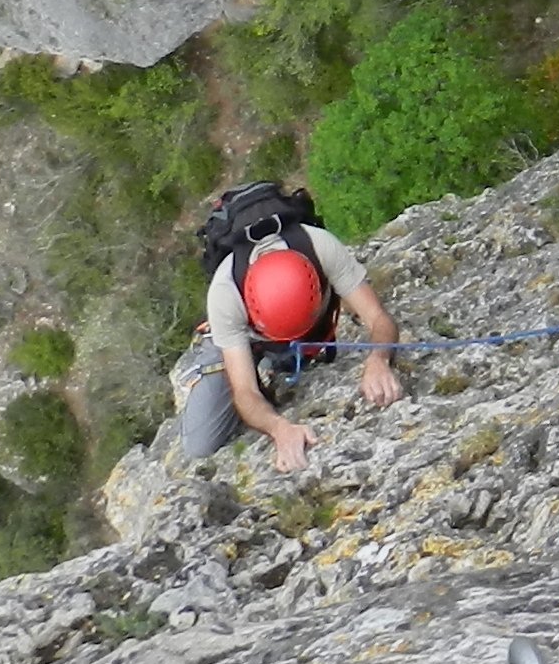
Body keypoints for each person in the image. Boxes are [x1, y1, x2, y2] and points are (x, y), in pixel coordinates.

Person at [169, 191, 404, 474]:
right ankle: (238, 359)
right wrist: (279, 429)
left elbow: (379, 319)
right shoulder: (226, 292)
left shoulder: (319, 247)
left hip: (298, 331)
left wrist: (378, 360)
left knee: (286, 365)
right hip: (239, 339)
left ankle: (281, 357)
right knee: (200, 445)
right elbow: (245, 392)